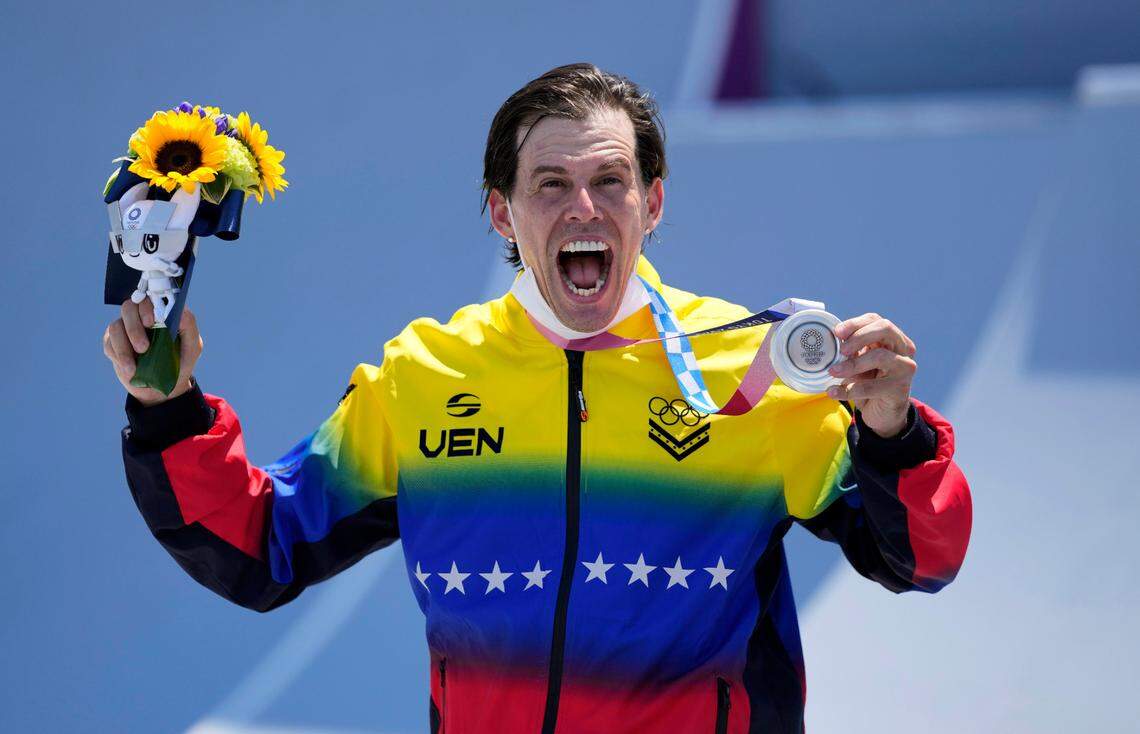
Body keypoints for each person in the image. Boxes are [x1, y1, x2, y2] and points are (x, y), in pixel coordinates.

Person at [103, 63, 971, 734]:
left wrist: (892, 434)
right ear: (501, 214)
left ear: (652, 202)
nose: (582, 206)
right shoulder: (426, 376)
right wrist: (171, 410)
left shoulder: (751, 374)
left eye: (611, 181)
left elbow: (920, 562)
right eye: (549, 184)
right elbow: (260, 548)